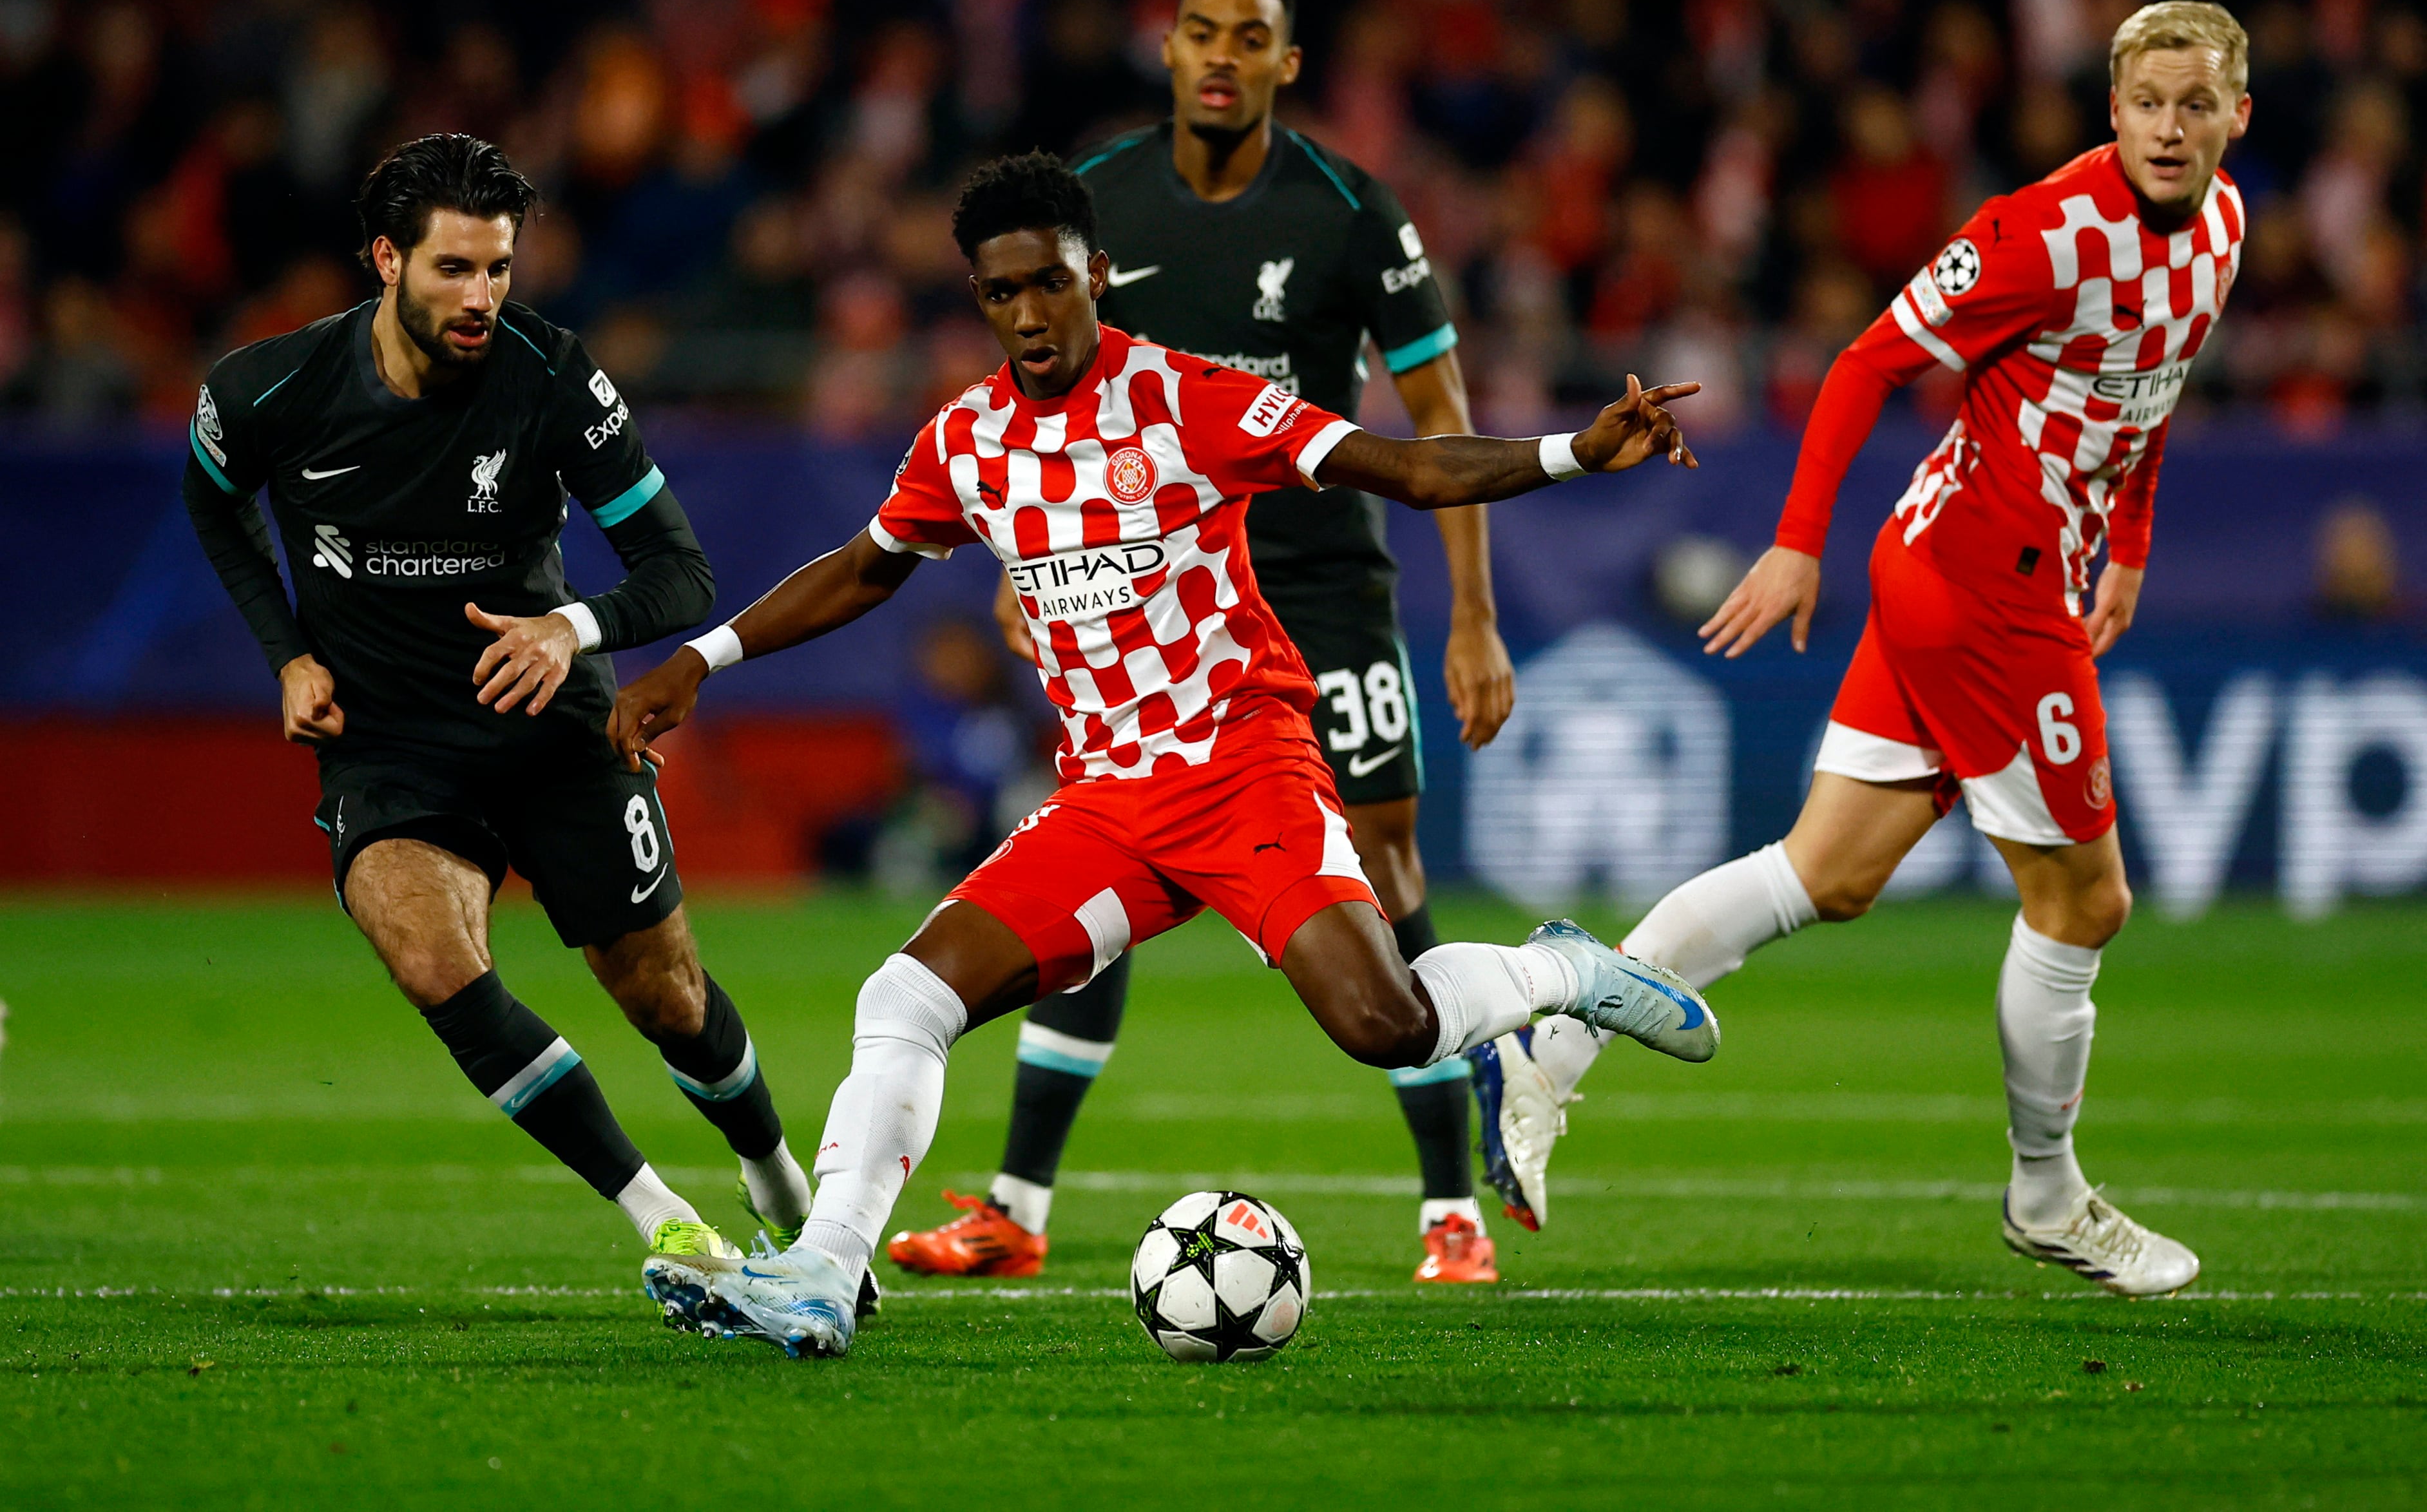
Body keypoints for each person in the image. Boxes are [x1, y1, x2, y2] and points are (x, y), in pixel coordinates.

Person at [618, 152, 1716, 1358]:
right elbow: (867, 565)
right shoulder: (968, 440)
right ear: (977, 300)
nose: (1029, 315)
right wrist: (703, 657)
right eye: (1000, 295)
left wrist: (1574, 450)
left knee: (1386, 1025)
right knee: (905, 995)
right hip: (1112, 805)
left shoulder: (1187, 400)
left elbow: (1403, 468)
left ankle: (1558, 972)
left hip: (1243, 764)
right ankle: (825, 1270)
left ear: (1095, 273)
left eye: (1049, 284)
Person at [1470, 1, 2250, 1297]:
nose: (2172, 128)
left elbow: (2147, 397)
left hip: (2001, 569)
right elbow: (1861, 363)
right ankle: (2048, 1194)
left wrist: (2130, 539)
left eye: (2198, 103)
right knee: (2086, 899)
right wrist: (1793, 541)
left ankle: (1548, 1045)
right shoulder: (2040, 230)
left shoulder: (2220, 232)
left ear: (2238, 115)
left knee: (1823, 872)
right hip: (1980, 592)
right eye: (2149, 103)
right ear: (2111, 112)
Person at [888, 0, 1519, 1288]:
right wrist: (1032, 557)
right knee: (1100, 849)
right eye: (1198, 33)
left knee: (1387, 867)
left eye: (1252, 38)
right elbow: (1054, 414)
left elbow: (1436, 420)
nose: (1221, 56)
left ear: (1290, 64)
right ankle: (1016, 1197)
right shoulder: (1095, 204)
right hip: (1153, 587)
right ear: (1166, 51)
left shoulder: (1352, 211)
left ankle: (1448, 1204)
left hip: (1329, 588)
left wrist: (1473, 612)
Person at [181, 133, 818, 1317]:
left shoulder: (553, 377)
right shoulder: (265, 391)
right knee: (429, 954)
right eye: (454, 270)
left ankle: (779, 1181)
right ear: (386, 261)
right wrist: (288, 652)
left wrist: (570, 627)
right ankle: (663, 1218)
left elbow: (678, 570)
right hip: (388, 743)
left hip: (549, 726)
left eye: (499, 270)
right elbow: (213, 502)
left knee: (665, 993)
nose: (481, 297)